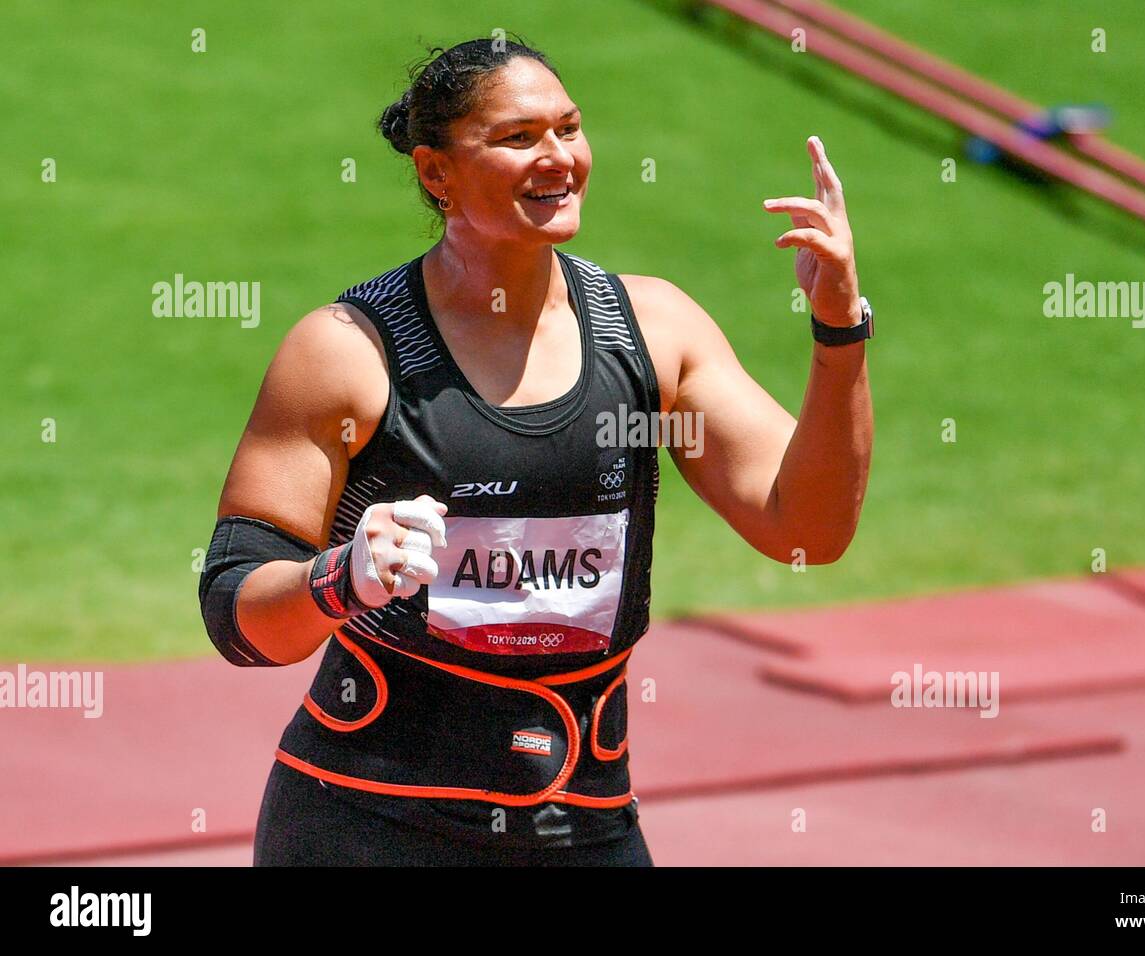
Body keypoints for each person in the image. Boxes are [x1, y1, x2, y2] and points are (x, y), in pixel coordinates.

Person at [198, 34, 873, 867]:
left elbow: (807, 530)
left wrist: (840, 332)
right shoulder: (347, 354)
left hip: (585, 832)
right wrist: (343, 578)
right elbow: (235, 614)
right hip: (369, 828)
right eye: (518, 138)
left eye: (570, 128)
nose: (558, 158)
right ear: (435, 173)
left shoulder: (654, 332)